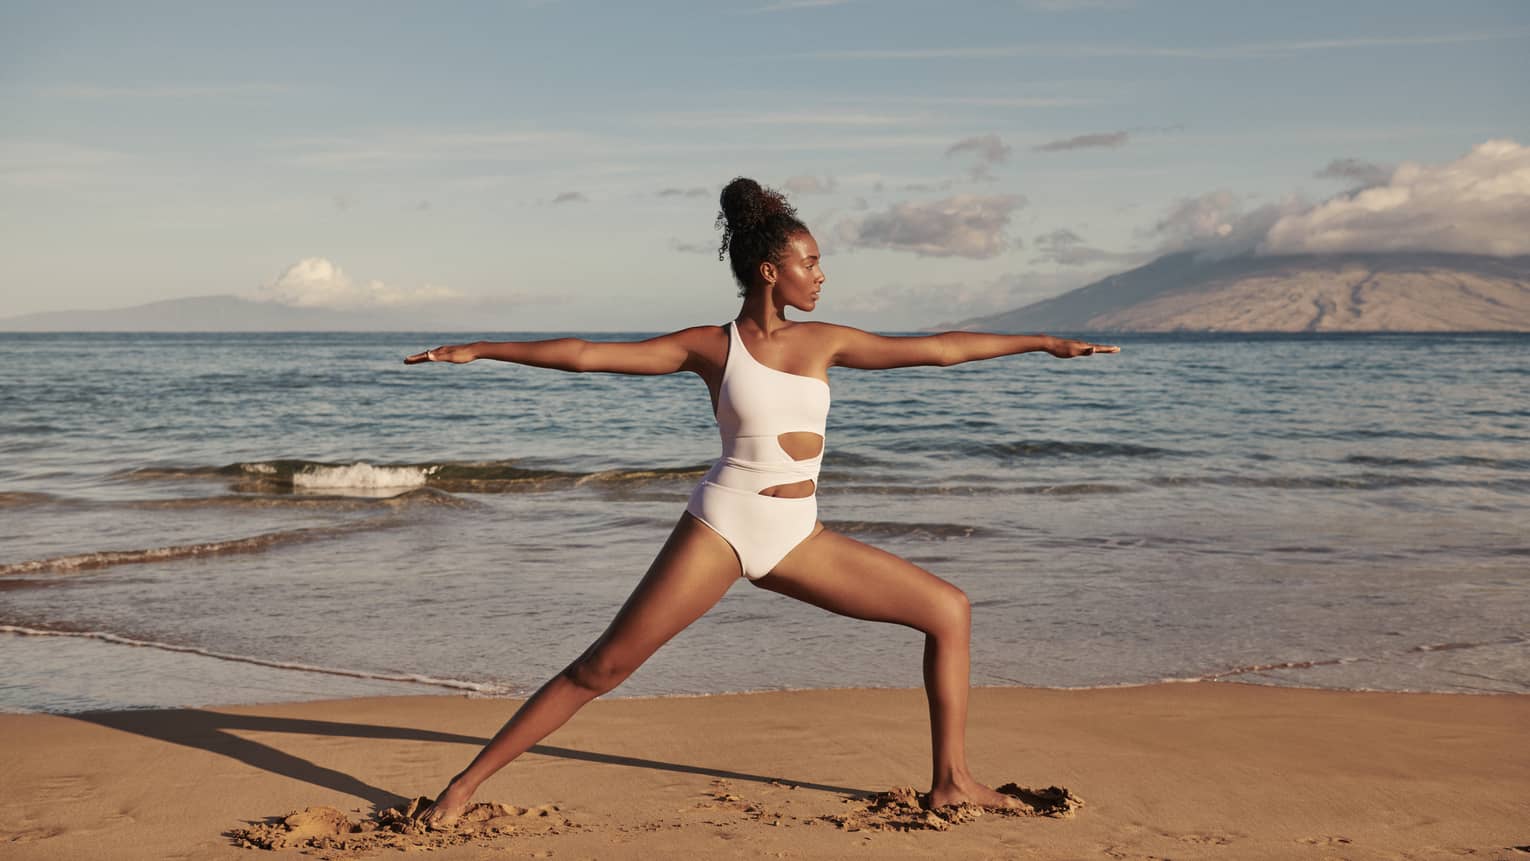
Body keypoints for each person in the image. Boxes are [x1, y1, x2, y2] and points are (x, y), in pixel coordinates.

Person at [404, 177, 1118, 824]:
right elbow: (590, 354)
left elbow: (938, 348)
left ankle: (953, 780)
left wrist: (1043, 342)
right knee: (604, 667)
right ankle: (464, 786)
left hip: (797, 534)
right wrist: (481, 348)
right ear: (771, 271)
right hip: (723, 524)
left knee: (948, 610)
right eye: (810, 263)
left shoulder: (825, 341)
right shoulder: (711, 346)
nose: (821, 275)